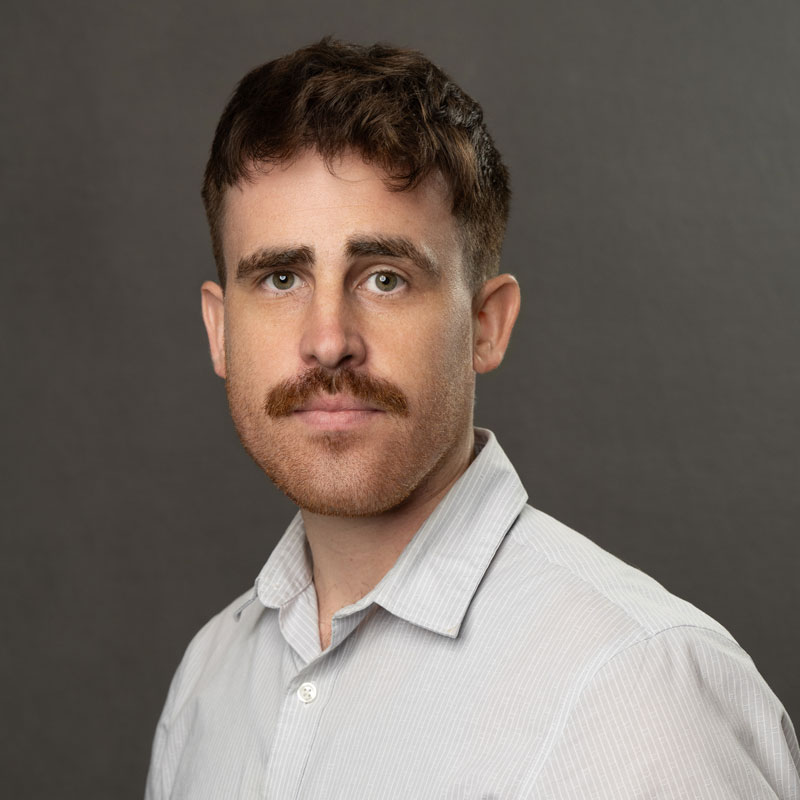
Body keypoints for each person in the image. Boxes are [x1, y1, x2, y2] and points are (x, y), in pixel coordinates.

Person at [145, 38, 800, 799]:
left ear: (485, 325)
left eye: (385, 278)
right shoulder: (209, 683)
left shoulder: (639, 694)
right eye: (281, 278)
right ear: (220, 331)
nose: (328, 340)